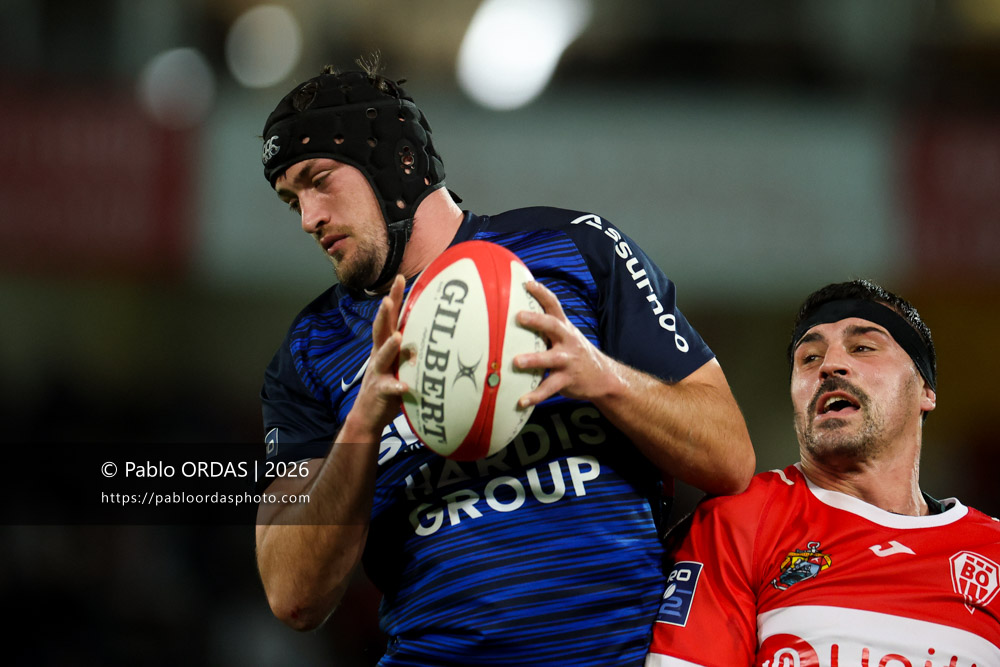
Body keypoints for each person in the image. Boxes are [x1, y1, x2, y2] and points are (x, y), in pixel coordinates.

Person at [254, 58, 755, 667]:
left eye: (320, 179)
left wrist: (604, 378)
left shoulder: (574, 249)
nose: (310, 219)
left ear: (398, 163)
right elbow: (291, 597)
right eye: (292, 201)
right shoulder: (309, 349)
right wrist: (362, 424)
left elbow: (730, 458)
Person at [646, 279, 1000, 667]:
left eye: (863, 347)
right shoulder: (742, 518)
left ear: (925, 390)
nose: (829, 365)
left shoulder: (992, 550)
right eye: (809, 358)